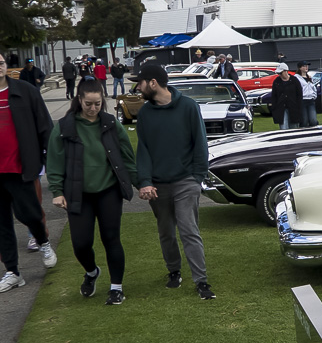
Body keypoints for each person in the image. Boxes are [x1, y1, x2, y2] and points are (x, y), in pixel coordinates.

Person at [47, 79, 136, 304]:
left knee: (111, 238)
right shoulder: (65, 127)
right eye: (88, 104)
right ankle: (91, 272)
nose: (93, 108)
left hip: (108, 191)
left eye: (97, 103)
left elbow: (127, 157)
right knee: (81, 244)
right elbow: (55, 162)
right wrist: (57, 191)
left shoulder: (110, 124)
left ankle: (116, 288)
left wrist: (141, 183)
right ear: (79, 100)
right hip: (78, 193)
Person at [131, 63, 214, 299]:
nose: (138, 88)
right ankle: (174, 271)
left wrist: (197, 177)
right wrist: (145, 181)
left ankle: (201, 281)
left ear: (153, 83)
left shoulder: (188, 106)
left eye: (140, 83)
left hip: (186, 180)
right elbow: (143, 150)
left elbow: (200, 143)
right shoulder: (145, 113)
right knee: (166, 231)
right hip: (158, 185)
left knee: (189, 230)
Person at [0, 70, 58, 291]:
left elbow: (45, 126)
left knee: (29, 214)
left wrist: (49, 159)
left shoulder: (25, 91)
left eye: (1, 62)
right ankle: (13, 272)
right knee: (2, 225)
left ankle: (43, 241)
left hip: (19, 168)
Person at [270, 63, 302, 130]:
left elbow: (299, 94)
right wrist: (274, 108)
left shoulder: (294, 80)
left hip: (294, 108)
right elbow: (274, 96)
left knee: (294, 128)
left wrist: (298, 106)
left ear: (285, 71)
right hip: (281, 108)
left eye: (280, 73)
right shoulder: (276, 82)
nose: (279, 75)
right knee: (283, 128)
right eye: (278, 73)